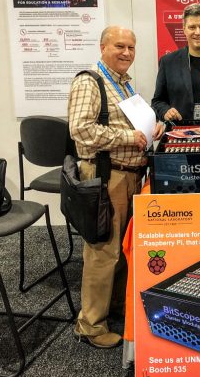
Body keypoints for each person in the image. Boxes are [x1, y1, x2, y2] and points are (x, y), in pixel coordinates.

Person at [68, 25, 163, 349]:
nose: (126, 53)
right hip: (108, 176)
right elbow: (80, 130)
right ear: (103, 46)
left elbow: (130, 126)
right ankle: (90, 325)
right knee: (103, 251)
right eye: (119, 46)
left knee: (122, 249)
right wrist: (126, 137)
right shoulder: (90, 81)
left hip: (129, 175)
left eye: (131, 48)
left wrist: (152, 129)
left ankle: (115, 309)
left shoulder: (123, 85)